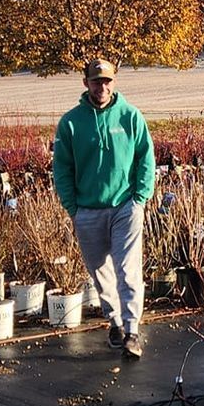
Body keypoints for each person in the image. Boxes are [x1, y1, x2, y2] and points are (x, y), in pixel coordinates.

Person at [52, 57, 155, 358]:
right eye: (96, 81)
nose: (102, 86)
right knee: (100, 271)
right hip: (88, 209)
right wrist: (73, 207)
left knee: (127, 268)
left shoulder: (130, 117)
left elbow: (145, 158)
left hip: (125, 206)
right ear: (86, 83)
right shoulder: (71, 122)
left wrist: (140, 198)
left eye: (107, 81)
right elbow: (62, 168)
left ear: (114, 82)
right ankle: (114, 321)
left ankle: (132, 330)